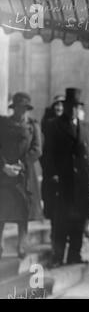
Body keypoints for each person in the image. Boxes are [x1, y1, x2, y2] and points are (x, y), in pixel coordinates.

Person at [43, 88, 89, 267]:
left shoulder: (86, 126)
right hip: (63, 181)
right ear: (66, 107)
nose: (74, 110)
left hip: (83, 181)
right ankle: (57, 257)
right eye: (71, 106)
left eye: (77, 106)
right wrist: (52, 174)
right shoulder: (54, 125)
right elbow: (47, 154)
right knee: (61, 222)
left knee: (79, 220)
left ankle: (74, 255)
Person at [0, 92, 42, 259]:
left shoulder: (33, 126)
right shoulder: (3, 123)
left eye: (25, 108)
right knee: (1, 209)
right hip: (3, 174)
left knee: (23, 210)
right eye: (19, 108)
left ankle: (22, 245)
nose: (22, 111)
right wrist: (4, 166)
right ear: (14, 108)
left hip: (24, 174)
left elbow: (37, 149)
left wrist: (21, 164)